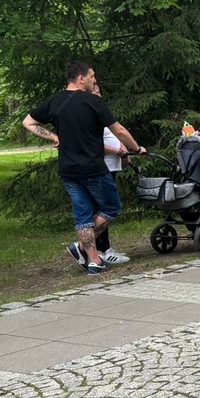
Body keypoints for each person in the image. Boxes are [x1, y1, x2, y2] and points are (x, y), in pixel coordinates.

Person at [23, 61, 145, 276]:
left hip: (68, 170)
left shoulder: (54, 101)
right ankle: (80, 246)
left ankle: (94, 261)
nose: (94, 80)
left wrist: (53, 136)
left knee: (83, 216)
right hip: (93, 168)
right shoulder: (93, 102)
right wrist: (136, 148)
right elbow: (118, 130)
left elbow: (28, 122)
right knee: (111, 208)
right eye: (92, 76)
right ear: (81, 78)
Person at [92, 78, 130, 265]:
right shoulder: (90, 117)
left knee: (104, 208)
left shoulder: (100, 113)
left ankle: (102, 248)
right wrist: (116, 150)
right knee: (105, 208)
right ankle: (102, 249)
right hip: (103, 166)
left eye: (99, 92)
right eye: (94, 93)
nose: (98, 96)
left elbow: (114, 134)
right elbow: (94, 144)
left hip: (112, 165)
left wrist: (123, 150)